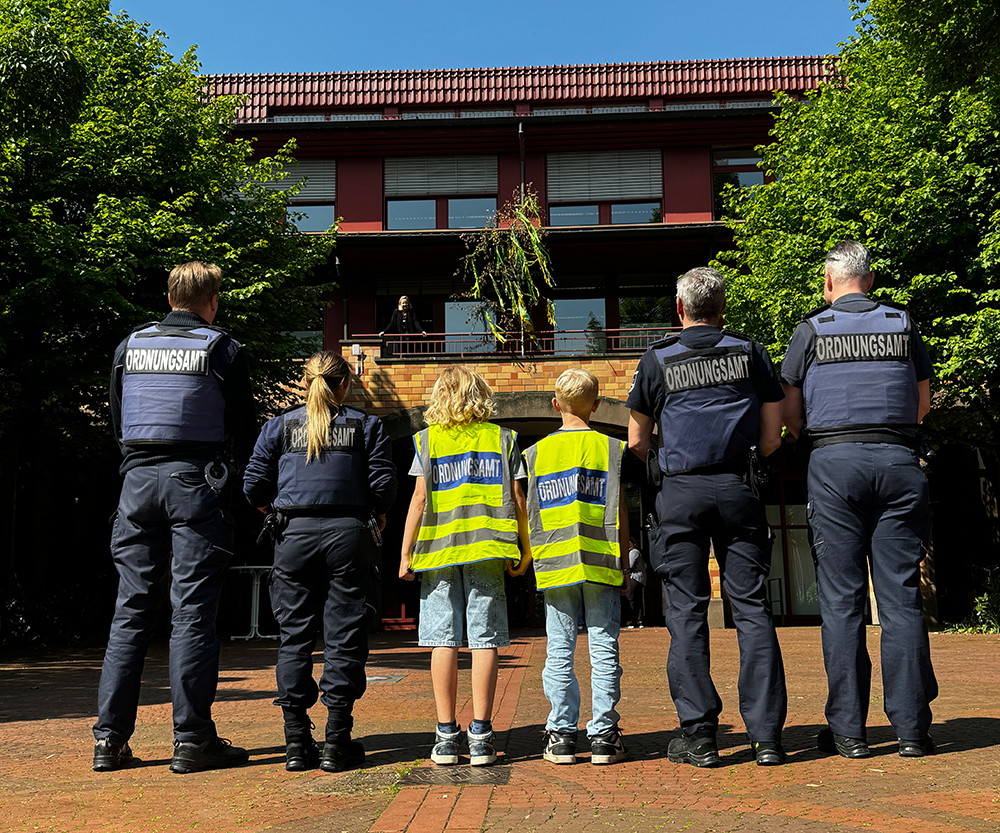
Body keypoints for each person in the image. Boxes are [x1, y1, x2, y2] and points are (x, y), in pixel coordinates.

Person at [93, 261, 258, 774]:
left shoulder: (129, 346)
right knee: (191, 614)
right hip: (196, 485)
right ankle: (192, 741)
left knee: (130, 612)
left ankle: (109, 741)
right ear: (212, 302)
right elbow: (245, 430)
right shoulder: (222, 348)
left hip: (136, 485)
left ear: (169, 300)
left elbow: (118, 421)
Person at [781, 240, 937, 759]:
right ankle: (913, 731)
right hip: (898, 461)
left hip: (833, 465)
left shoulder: (811, 330)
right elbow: (922, 403)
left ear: (829, 283)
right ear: (868, 280)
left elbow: (790, 411)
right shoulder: (902, 323)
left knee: (842, 602)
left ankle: (849, 732)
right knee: (900, 599)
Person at [627, 266, 788, 768]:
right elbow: (772, 435)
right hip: (739, 488)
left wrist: (666, 468)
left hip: (680, 494)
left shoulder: (657, 359)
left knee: (687, 615)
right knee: (753, 611)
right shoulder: (749, 351)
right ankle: (767, 739)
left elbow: (635, 439)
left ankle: (700, 737)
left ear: (680, 309)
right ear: (723, 307)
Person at [243, 352, 397, 772]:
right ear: (345, 384)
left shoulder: (280, 425)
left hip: (293, 536)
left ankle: (296, 743)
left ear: (303, 382)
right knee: (344, 636)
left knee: (293, 638)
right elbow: (383, 488)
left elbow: (253, 485)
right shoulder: (366, 425)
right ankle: (336, 741)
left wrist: (277, 512)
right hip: (348, 535)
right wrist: (375, 511)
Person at [398, 366, 530, 767]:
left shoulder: (427, 441)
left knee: (443, 639)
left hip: (439, 552)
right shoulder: (502, 438)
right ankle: (482, 736)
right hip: (487, 549)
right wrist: (524, 550)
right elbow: (518, 497)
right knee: (485, 640)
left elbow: (419, 499)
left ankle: (444, 736)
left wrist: (405, 553)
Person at [520, 368, 631, 766]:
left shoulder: (536, 453)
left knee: (559, 648)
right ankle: (603, 735)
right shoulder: (610, 448)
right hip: (601, 559)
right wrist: (626, 558)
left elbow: (530, 510)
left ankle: (562, 734)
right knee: (603, 645)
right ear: (597, 405)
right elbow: (619, 509)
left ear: (555, 405)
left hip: (555, 561)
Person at [624, 537, 646, 629]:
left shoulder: (633, 552)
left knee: (630, 598)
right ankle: (638, 620)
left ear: (633, 544)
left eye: (630, 543)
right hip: (640, 579)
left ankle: (631, 621)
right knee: (637, 600)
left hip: (635, 578)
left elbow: (630, 565)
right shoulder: (635, 552)